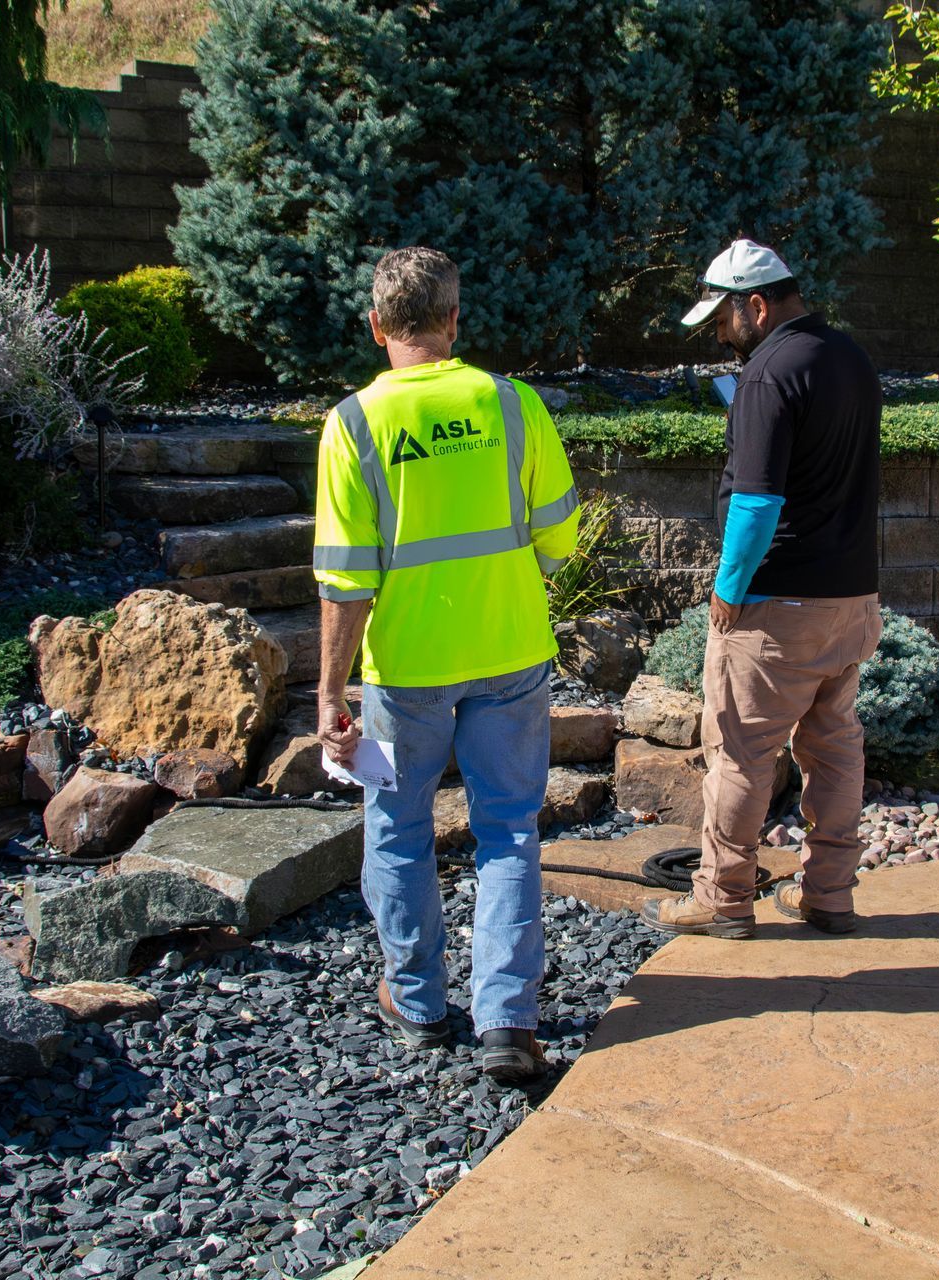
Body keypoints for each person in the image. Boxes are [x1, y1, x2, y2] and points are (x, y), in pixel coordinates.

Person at [313, 246, 581, 1082]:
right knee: (509, 830)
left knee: (398, 830)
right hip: (511, 655)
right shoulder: (510, 404)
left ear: (376, 326)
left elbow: (345, 579)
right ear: (455, 320)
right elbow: (561, 538)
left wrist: (328, 690)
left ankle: (419, 1003)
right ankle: (507, 1019)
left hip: (406, 673)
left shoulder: (354, 424)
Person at [642, 238, 883, 940]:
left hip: (778, 603)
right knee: (835, 749)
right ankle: (830, 895)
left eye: (722, 318)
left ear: (756, 304)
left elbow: (754, 503)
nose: (719, 334)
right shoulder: (850, 358)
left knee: (741, 753)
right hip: (852, 598)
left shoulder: (768, 373)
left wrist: (728, 585)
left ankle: (722, 899)